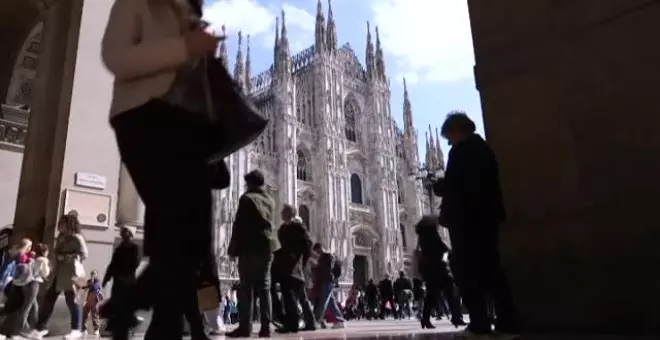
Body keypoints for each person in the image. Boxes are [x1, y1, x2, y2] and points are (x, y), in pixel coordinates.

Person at [99, 0, 229, 337]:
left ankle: (137, 310)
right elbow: (116, 57)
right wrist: (184, 47)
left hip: (185, 130)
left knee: (187, 243)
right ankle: (128, 304)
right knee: (180, 238)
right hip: (144, 120)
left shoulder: (187, 15)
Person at [435, 112, 519, 340]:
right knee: (492, 271)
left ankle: (480, 326)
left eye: (449, 137)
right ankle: (508, 325)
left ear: (457, 131)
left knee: (467, 272)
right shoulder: (484, 149)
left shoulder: (462, 151)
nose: (450, 142)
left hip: (467, 219)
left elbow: (457, 185)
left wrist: (439, 185)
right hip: (485, 217)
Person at [226, 170, 279, 338]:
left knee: (246, 288)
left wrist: (233, 248)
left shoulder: (247, 198)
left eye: (247, 183)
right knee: (264, 288)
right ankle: (265, 328)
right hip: (267, 247)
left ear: (251, 183)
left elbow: (239, 224)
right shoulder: (270, 200)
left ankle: (245, 328)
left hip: (250, 248)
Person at [30, 214, 88, 340]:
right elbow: (56, 252)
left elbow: (84, 254)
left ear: (69, 224)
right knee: (49, 300)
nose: (59, 226)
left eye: (62, 223)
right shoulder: (61, 237)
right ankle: (41, 328)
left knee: (74, 302)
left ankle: (76, 330)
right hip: (60, 273)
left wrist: (68, 257)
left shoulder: (77, 238)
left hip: (74, 274)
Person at [415, 216, 465, 329]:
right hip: (438, 269)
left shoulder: (422, 236)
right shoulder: (431, 235)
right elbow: (441, 249)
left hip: (431, 271)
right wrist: (446, 257)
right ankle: (456, 318)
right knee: (449, 294)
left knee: (433, 296)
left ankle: (426, 319)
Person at [272, 205, 315, 333]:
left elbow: (308, 243)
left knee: (289, 293)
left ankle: (293, 323)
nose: (280, 213)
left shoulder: (297, 226)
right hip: (285, 264)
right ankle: (310, 322)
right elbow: (285, 246)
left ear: (290, 213)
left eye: (283, 211)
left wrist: (301, 259)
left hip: (293, 265)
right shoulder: (283, 228)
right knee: (300, 295)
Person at [311, 243, 345, 329]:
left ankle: (317, 321)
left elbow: (327, 270)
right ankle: (340, 320)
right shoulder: (324, 257)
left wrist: (317, 267)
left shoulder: (327, 256)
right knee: (331, 303)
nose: (317, 253)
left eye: (317, 251)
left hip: (328, 281)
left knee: (323, 301)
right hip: (327, 281)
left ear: (320, 248)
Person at [82, 271, 103, 336]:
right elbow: (84, 287)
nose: (93, 275)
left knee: (94, 314)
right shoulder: (89, 281)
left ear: (96, 275)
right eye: (92, 274)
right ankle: (84, 329)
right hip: (88, 298)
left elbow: (95, 287)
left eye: (94, 274)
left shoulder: (97, 281)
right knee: (85, 314)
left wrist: (91, 282)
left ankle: (96, 330)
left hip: (94, 299)